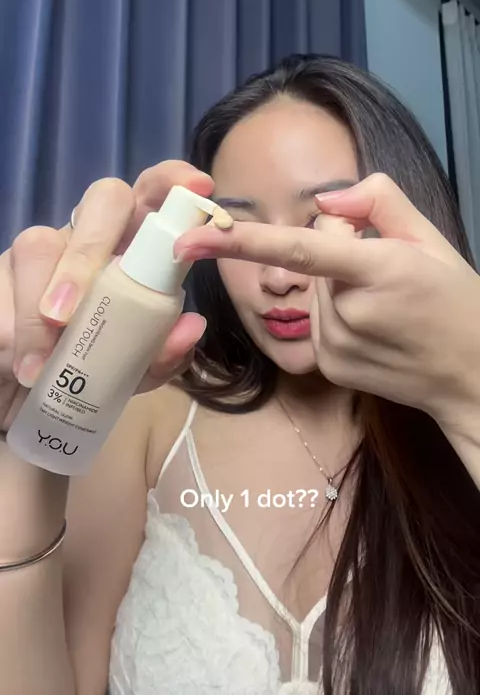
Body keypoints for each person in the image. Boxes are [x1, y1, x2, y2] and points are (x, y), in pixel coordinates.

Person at [0, 55, 479, 695]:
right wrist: (25, 441)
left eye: (322, 222)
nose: (278, 276)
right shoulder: (149, 415)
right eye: (236, 229)